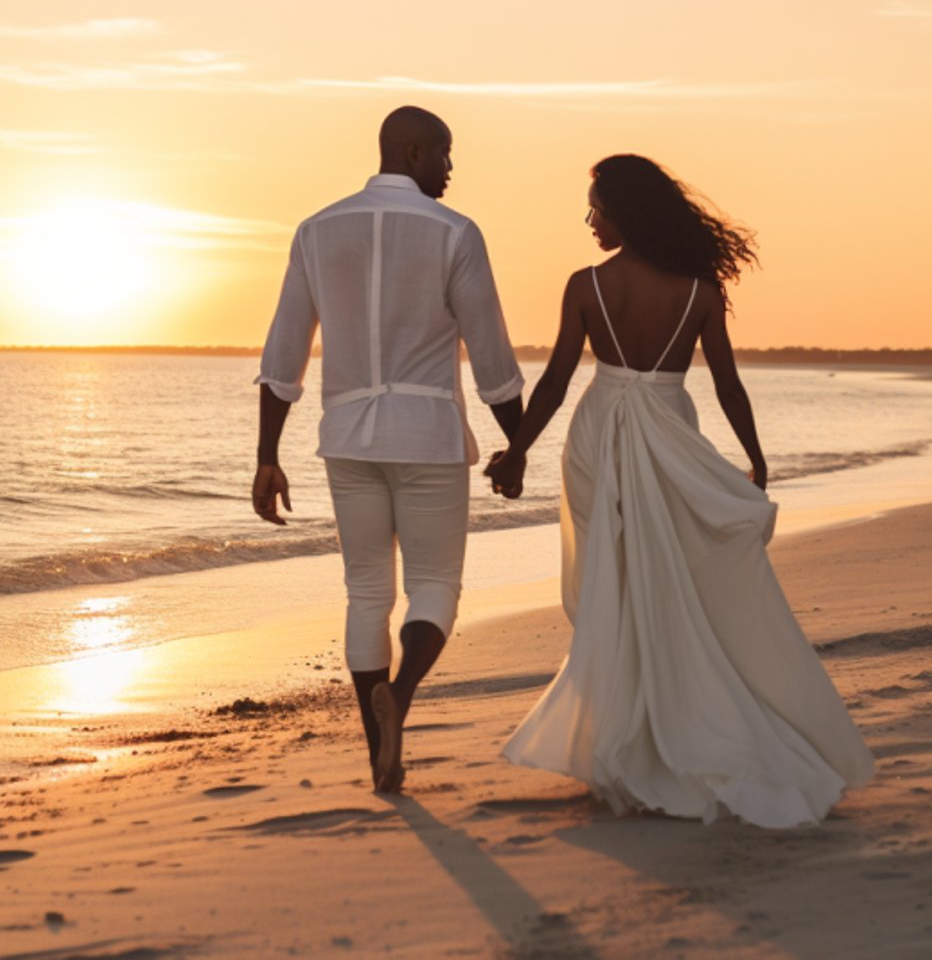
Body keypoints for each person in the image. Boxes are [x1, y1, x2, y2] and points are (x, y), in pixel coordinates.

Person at [483, 154, 875, 827]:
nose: (590, 220)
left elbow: (552, 382)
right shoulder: (699, 289)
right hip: (671, 428)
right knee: (670, 580)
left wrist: (517, 449)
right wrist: (754, 456)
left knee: (620, 578)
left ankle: (630, 734)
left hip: (600, 431)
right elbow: (726, 382)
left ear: (625, 213)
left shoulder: (587, 285)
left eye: (597, 208)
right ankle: (662, 725)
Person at [253, 106, 525, 794]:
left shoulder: (317, 230)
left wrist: (267, 455)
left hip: (347, 436)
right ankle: (399, 700)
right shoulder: (455, 233)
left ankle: (382, 756)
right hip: (428, 435)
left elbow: (284, 353)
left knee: (366, 592)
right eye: (444, 153)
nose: (451, 168)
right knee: (434, 586)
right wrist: (516, 444)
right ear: (410, 151)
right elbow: (491, 353)